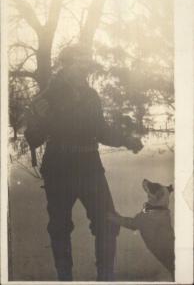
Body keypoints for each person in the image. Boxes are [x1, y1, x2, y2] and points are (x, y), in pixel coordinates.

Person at [25, 45, 143, 281]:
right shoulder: (47, 97)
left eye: (87, 65)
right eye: (80, 63)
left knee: (108, 224)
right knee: (60, 228)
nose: (85, 69)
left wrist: (126, 139)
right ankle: (65, 279)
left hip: (90, 168)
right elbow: (33, 138)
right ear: (66, 65)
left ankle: (105, 278)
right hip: (59, 169)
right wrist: (39, 120)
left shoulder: (91, 96)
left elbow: (100, 130)